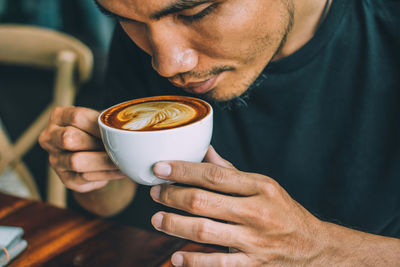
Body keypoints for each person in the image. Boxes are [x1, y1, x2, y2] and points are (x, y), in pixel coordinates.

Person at [39, 0, 400, 265]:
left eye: (195, 12)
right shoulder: (149, 23)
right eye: (123, 19)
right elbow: (110, 205)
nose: (166, 64)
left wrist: (321, 248)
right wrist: (93, 172)